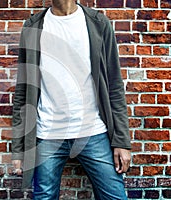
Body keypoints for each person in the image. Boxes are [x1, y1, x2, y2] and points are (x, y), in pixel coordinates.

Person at [11, 0, 132, 199]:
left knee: (115, 196)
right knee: (44, 196)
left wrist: (122, 141)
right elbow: (23, 90)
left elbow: (114, 86)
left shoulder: (98, 23)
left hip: (93, 131)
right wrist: (18, 150)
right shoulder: (33, 27)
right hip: (47, 133)